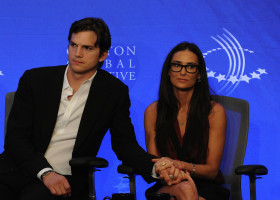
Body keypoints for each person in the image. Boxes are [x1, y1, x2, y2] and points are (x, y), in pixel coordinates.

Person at [0, 17, 162, 200]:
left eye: (87, 48)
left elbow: (125, 145)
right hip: (17, 170)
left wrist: (155, 167)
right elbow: (16, 137)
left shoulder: (113, 92)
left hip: (65, 181)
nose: (77, 53)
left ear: (103, 55)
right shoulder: (35, 80)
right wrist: (45, 173)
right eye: (73, 45)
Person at [144, 42, 230, 200]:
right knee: (186, 189)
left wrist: (180, 166)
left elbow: (212, 171)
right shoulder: (153, 111)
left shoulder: (214, 112)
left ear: (199, 75)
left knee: (188, 190)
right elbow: (155, 164)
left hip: (206, 186)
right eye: (177, 65)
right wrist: (172, 174)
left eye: (190, 67)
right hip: (167, 183)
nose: (183, 72)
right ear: (168, 71)